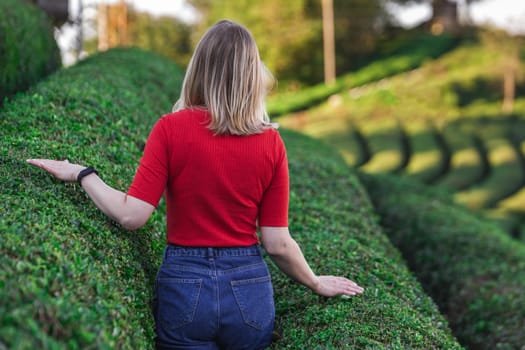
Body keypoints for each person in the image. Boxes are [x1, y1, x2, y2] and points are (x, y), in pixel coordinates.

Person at [27, 19, 363, 350]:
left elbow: (133, 215)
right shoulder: (271, 143)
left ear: (199, 68)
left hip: (185, 286)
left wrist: (83, 174)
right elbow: (277, 243)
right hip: (249, 290)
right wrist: (316, 282)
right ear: (250, 74)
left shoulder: (170, 129)